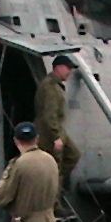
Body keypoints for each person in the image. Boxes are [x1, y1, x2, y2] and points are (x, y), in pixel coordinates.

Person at [34, 55, 82, 211]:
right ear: (58, 67)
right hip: (49, 133)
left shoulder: (56, 86)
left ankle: (56, 188)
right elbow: (49, 115)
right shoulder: (50, 87)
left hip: (59, 130)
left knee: (73, 155)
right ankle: (53, 203)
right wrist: (55, 137)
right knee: (54, 167)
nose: (69, 72)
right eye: (67, 68)